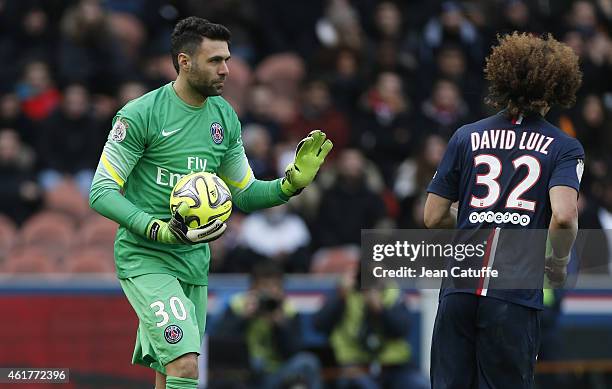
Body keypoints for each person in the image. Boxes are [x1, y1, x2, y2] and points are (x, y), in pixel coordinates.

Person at [88, 17, 332, 389]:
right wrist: (158, 230)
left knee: (171, 372)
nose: (226, 70)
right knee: (185, 364)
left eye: (227, 59)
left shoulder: (224, 118)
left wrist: (288, 185)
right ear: (185, 62)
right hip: (147, 257)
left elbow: (244, 192)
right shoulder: (141, 114)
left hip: (194, 263)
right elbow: (101, 191)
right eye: (215, 60)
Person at [424, 32, 583, 389]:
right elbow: (564, 216)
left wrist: (473, 221)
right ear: (556, 88)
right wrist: (557, 264)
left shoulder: (465, 136)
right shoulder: (564, 147)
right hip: (513, 293)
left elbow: (432, 216)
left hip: (458, 290)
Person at [214, 261, 322, 389]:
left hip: (277, 371)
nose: (269, 293)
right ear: (252, 288)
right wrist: (244, 318)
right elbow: (220, 344)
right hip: (245, 372)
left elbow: (293, 352)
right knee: (256, 362)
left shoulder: (289, 311)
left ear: (281, 290)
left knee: (308, 362)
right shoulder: (237, 305)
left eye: (274, 287)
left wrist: (280, 325)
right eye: (264, 287)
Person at [314, 271, 430, 389]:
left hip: (394, 367)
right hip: (354, 366)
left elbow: (402, 329)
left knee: (421, 385)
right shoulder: (343, 292)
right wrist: (340, 297)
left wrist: (380, 310)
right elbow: (319, 325)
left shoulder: (393, 292)